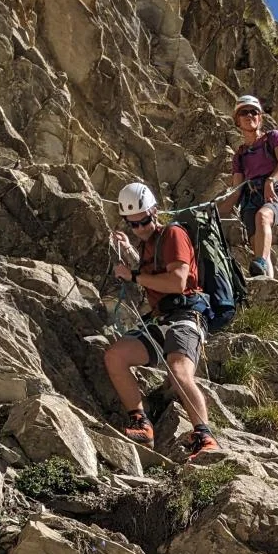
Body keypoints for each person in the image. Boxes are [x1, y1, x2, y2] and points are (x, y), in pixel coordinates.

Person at [103, 182, 221, 459]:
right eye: (133, 225)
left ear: (154, 212)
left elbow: (178, 282)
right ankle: (141, 422)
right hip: (160, 318)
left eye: (144, 221)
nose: (140, 228)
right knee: (115, 356)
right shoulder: (147, 246)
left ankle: (205, 436)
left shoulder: (173, 234)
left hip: (185, 316)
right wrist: (130, 254)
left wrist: (132, 276)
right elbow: (153, 273)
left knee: (179, 371)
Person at [223, 95, 278, 281]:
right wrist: (215, 212)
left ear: (260, 117)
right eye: (244, 112)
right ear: (237, 121)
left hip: (275, 193)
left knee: (264, 216)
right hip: (250, 200)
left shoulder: (273, 137)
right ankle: (267, 284)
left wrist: (270, 181)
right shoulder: (240, 155)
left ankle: (260, 266)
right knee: (260, 249)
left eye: (254, 112)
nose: (249, 115)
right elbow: (236, 190)